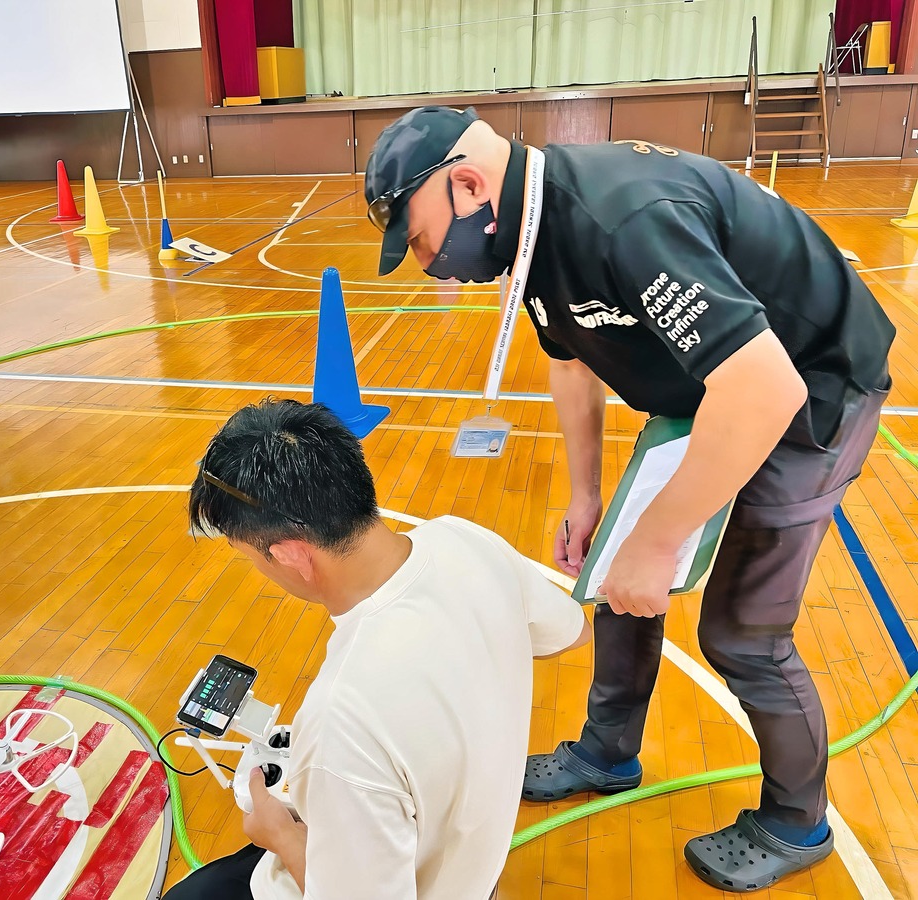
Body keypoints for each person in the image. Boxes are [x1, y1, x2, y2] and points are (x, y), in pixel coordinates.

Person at [363, 105, 896, 892]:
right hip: (711, 387)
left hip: (810, 388)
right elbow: (571, 362)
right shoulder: (531, 226)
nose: (423, 261)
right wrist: (588, 498)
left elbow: (762, 389)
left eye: (417, 237)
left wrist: (656, 543)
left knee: (743, 634)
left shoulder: (624, 220)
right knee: (618, 580)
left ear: (469, 185)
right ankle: (607, 752)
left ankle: (796, 820)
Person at [166, 399, 589, 900]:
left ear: (290, 554)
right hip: (475, 862)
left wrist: (277, 834)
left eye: (250, 556)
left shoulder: (341, 720)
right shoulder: (462, 537)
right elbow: (572, 631)